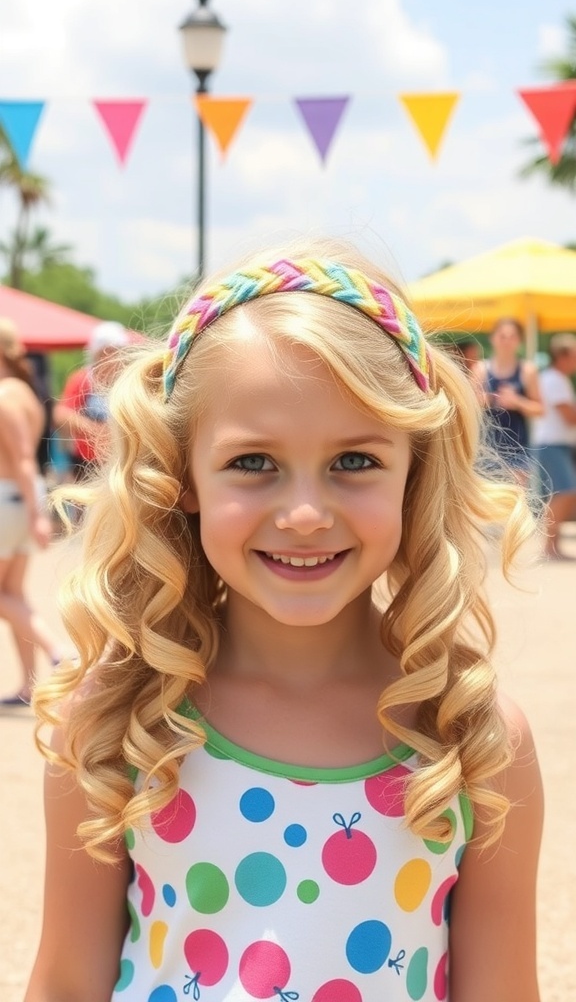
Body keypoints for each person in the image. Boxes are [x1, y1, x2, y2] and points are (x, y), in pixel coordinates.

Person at [26, 241, 543, 1002]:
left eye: (356, 462)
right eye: (253, 463)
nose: (305, 514)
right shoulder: (114, 720)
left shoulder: (471, 736)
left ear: (415, 472)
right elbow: (67, 982)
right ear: (183, 474)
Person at [0, 319, 66, 706]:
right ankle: (28, 685)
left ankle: (58, 651)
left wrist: (38, 515)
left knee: (4, 596)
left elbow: (23, 458)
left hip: (9, 500)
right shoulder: (25, 393)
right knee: (14, 596)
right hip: (21, 500)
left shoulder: (6, 396)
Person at [53, 320, 130, 480]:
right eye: (105, 352)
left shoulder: (128, 381)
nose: (110, 357)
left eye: (115, 351)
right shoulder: (83, 379)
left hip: (121, 460)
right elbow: (60, 413)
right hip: (87, 463)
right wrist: (91, 429)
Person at [473, 317, 543, 482]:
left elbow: (540, 409)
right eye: (502, 336)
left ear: (519, 341)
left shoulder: (527, 371)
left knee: (515, 500)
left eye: (512, 336)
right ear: (493, 338)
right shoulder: (481, 369)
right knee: (488, 502)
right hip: (485, 448)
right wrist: (491, 399)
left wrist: (517, 402)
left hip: (518, 449)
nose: (506, 341)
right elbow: (469, 405)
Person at [532, 333, 576, 560]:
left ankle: (552, 546)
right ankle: (549, 547)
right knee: (566, 492)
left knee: (561, 493)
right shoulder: (554, 380)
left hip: (554, 444)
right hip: (552, 444)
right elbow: (569, 416)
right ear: (562, 355)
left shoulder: (556, 379)